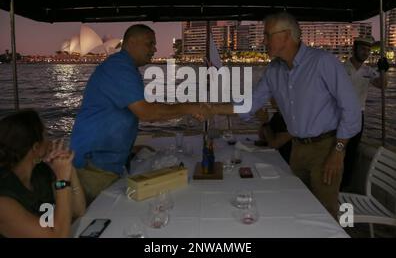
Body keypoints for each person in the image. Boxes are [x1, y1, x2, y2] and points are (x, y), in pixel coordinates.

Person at [209, 12, 361, 219]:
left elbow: (351, 110)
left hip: (326, 148)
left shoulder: (323, 62)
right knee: (297, 205)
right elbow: (249, 105)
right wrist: (210, 108)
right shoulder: (274, 70)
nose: (263, 41)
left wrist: (339, 151)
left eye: (267, 35)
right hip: (298, 149)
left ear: (286, 35)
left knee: (326, 212)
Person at [71, 24, 210, 203]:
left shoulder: (124, 67)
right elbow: (146, 112)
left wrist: (129, 150)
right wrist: (189, 107)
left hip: (107, 161)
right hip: (94, 166)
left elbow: (130, 110)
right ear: (131, 42)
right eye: (150, 43)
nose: (155, 49)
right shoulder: (119, 68)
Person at [0, 109, 85, 238]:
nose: (50, 141)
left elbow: (77, 210)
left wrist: (68, 169)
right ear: (35, 147)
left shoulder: (41, 172)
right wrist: (62, 180)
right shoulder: (4, 200)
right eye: (46, 135)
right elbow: (59, 236)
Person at [341, 36, 389, 190]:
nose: (366, 52)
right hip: (339, 116)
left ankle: (344, 186)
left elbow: (382, 85)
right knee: (336, 149)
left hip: (358, 116)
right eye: (363, 49)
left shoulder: (369, 71)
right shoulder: (341, 68)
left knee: (351, 152)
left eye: (368, 50)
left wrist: (384, 70)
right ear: (355, 49)